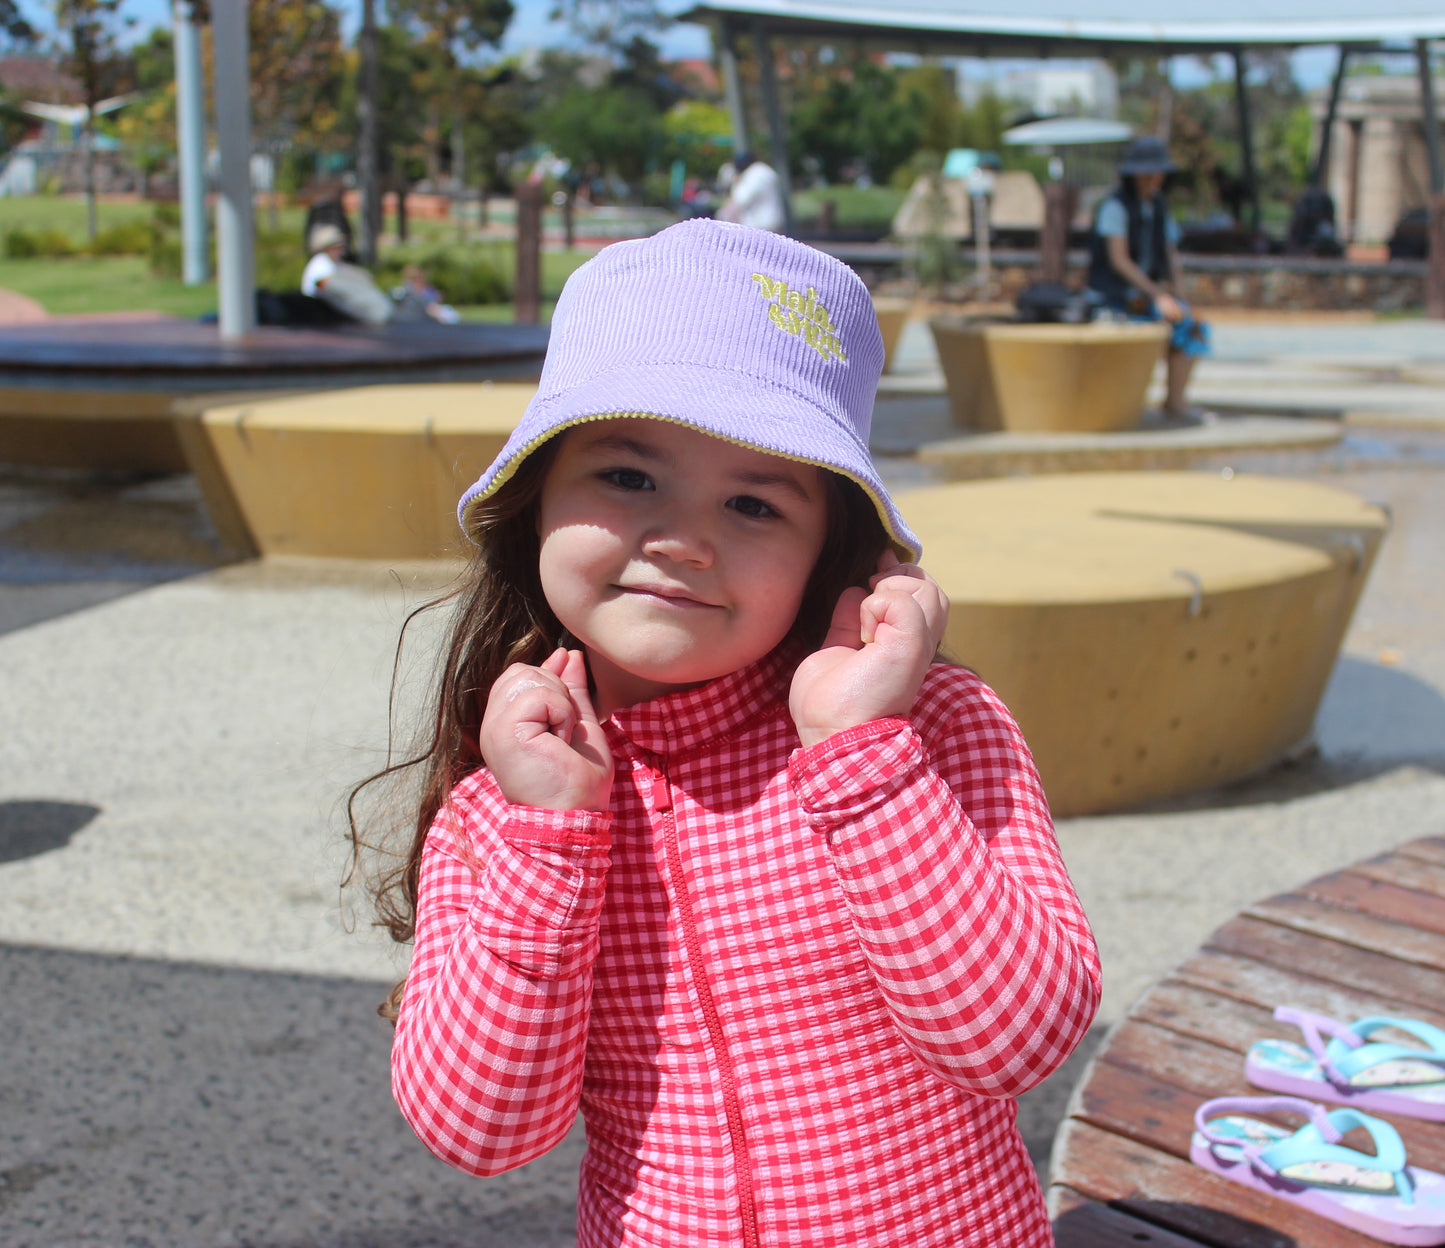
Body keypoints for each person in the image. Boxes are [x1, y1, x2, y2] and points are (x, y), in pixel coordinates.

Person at [359, 219, 1101, 1247]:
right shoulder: (503, 812)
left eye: (754, 501)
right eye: (626, 477)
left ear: (830, 547)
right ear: (535, 504)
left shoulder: (924, 730)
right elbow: (481, 1132)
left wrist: (859, 756)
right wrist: (551, 838)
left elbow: (1013, 1042)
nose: (684, 541)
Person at [1086, 135, 1212, 420]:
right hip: (1112, 298)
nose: (1152, 177)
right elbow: (1119, 260)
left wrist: (1177, 297)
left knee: (1191, 327)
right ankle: (1117, 407)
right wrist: (1158, 294)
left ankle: (1175, 402)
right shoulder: (1115, 207)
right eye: (1147, 171)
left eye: (1157, 171)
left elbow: (1170, 254)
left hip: (1148, 298)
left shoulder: (1159, 208)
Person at [716, 150, 786, 232]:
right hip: (773, 223)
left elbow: (738, 201)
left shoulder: (754, 173)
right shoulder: (765, 170)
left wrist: (720, 217)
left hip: (760, 227)